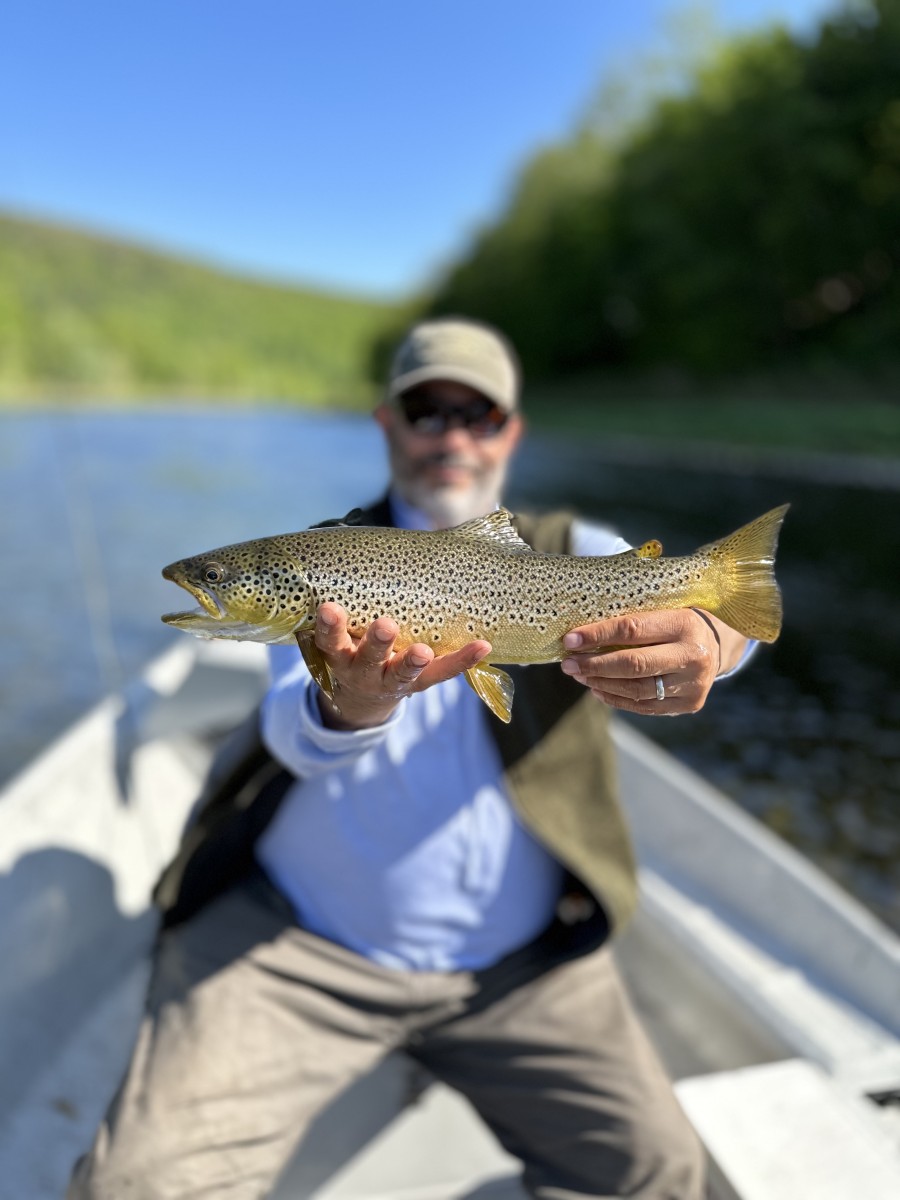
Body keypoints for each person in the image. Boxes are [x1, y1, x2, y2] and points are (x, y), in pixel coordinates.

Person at [71, 317, 753, 1200]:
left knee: (664, 1173)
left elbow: (731, 622)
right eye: (427, 410)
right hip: (301, 949)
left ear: (511, 431)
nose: (453, 435)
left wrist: (712, 632)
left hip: (522, 968)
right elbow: (290, 724)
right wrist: (345, 706)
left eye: (478, 414)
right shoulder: (323, 559)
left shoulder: (577, 548)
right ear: (387, 422)